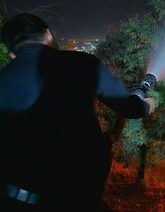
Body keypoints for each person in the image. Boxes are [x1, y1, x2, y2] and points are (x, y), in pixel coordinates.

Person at [0, 13, 155, 212]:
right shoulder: (84, 63)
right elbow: (131, 108)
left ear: (12, 53)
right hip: (75, 198)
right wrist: (147, 104)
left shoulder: (3, 78)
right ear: (48, 34)